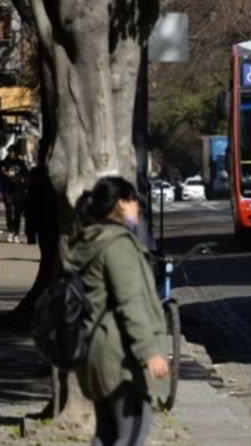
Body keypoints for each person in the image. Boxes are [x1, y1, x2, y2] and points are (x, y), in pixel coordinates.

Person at [65, 176, 169, 446]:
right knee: (131, 434)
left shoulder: (89, 240)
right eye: (134, 202)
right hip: (121, 357)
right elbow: (130, 302)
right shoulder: (118, 245)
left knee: (107, 434)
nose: (138, 209)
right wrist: (149, 351)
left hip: (95, 350)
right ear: (122, 203)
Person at [0, 147, 29, 242]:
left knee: (18, 213)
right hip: (7, 190)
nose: (11, 153)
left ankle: (16, 233)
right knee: (9, 211)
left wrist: (23, 180)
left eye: (14, 152)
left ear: (16, 153)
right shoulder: (3, 163)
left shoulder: (21, 163)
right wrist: (4, 175)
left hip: (19, 191)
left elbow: (26, 176)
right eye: (10, 151)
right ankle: (10, 231)